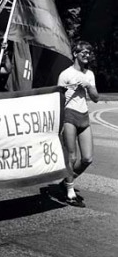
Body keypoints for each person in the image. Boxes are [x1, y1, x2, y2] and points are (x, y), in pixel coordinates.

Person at [57, 41, 99, 208]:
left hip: (84, 116)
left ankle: (67, 181)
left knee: (87, 158)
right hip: (69, 115)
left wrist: (88, 86)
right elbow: (57, 99)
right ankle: (70, 193)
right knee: (71, 156)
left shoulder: (89, 74)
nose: (87, 55)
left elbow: (96, 98)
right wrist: (68, 89)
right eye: (83, 52)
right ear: (75, 54)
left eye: (89, 52)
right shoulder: (65, 74)